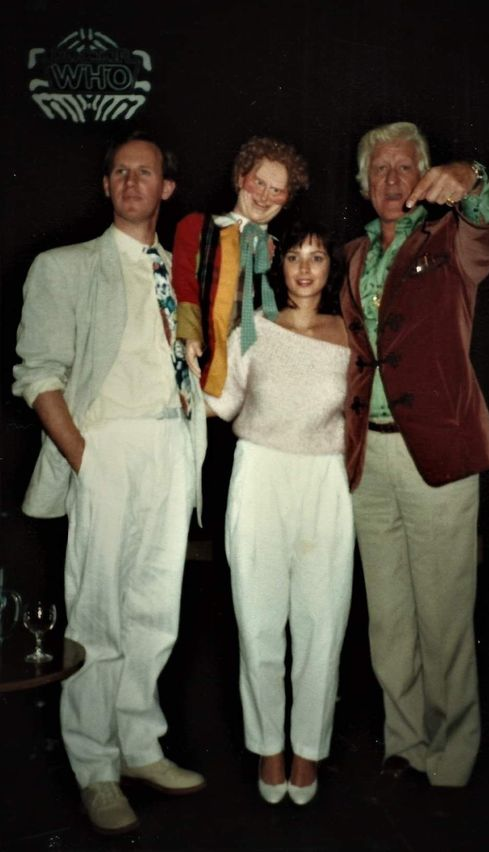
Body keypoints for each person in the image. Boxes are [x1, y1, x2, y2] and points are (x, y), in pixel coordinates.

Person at [12, 131, 207, 835]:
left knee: (155, 612)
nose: (131, 181)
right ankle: (94, 766)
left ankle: (139, 747)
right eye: (119, 171)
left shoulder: (184, 273)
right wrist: (86, 460)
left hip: (170, 449)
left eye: (145, 171)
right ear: (105, 187)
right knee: (95, 617)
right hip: (104, 447)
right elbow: (38, 374)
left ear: (167, 189)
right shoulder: (63, 267)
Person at [341, 121, 489, 789]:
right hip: (367, 461)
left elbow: (488, 224)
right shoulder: (351, 255)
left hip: (435, 454)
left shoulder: (453, 244)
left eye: (403, 167)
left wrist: (472, 178)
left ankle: (452, 756)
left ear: (423, 179)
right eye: (378, 169)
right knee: (389, 617)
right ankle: (404, 745)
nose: (390, 179)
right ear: (362, 182)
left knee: (443, 615)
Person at [205, 223, 354, 806]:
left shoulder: (350, 336)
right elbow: (222, 403)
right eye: (293, 255)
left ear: (329, 268)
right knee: (260, 621)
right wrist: (192, 355)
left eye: (316, 257)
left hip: (324, 479)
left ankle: (308, 750)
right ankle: (268, 746)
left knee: (322, 624)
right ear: (279, 264)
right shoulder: (253, 328)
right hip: (260, 472)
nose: (304, 268)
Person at [171, 135, 310, 391]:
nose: (265, 197)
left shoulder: (285, 253)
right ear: (240, 178)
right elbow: (184, 284)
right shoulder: (198, 227)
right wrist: (190, 334)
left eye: (277, 190)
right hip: (203, 371)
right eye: (259, 183)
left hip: (259, 384)